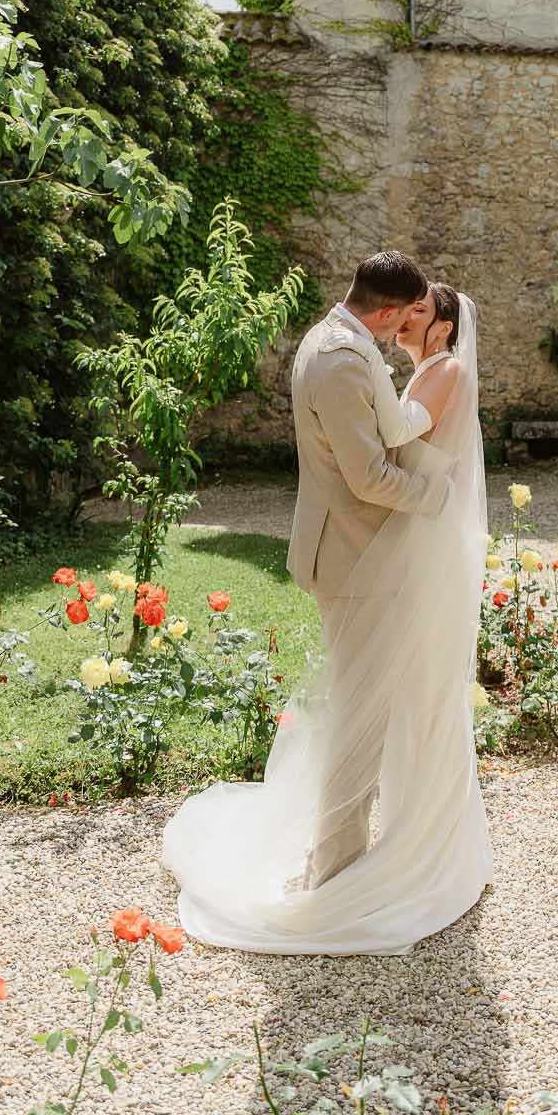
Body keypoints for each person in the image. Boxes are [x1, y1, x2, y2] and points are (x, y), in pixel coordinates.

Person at [162, 253, 493, 955]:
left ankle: (381, 848)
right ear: (386, 312)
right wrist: (441, 500)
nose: (406, 323)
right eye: (403, 313)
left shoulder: (340, 344)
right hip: (362, 553)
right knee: (362, 711)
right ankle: (338, 871)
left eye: (420, 315)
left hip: (376, 552)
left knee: (382, 703)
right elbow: (372, 476)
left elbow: (397, 439)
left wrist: (440, 501)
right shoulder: (344, 359)